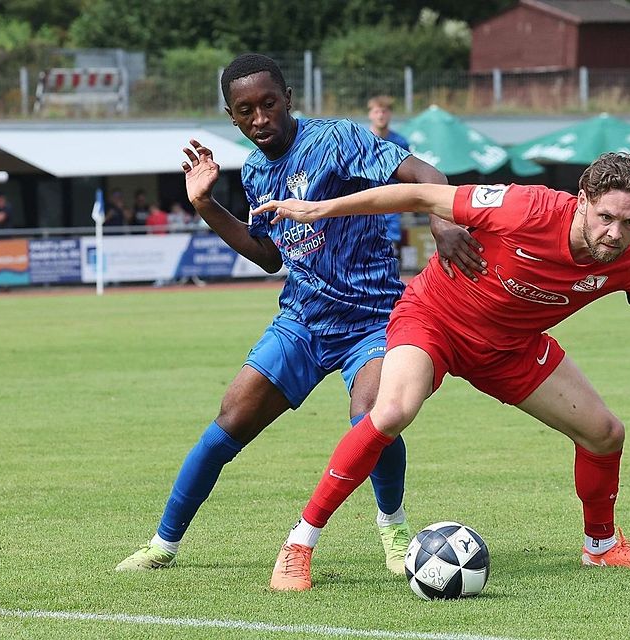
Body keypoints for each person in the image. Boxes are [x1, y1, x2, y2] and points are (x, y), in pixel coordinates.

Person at [252, 151, 630, 591]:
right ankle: (300, 544)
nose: (615, 233)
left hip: (511, 348)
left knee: (605, 433)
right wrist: (320, 208)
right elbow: (416, 195)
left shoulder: (628, 261)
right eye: (606, 217)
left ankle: (601, 547)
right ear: (582, 200)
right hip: (435, 319)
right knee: (393, 409)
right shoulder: (521, 208)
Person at [115, 53, 483, 573]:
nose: (260, 119)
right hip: (303, 321)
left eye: (268, 104)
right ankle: (163, 545)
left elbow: (424, 173)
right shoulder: (257, 172)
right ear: (231, 117)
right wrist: (205, 205)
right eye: (245, 111)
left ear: (288, 98)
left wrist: (444, 224)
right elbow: (269, 255)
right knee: (230, 418)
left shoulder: (335, 139)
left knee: (374, 415)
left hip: (374, 317)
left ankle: (395, 531)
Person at [368, 95, 409, 260]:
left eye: (384, 111)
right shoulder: (361, 139)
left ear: (390, 114)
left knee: (389, 253)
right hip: (365, 203)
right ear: (370, 114)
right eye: (377, 111)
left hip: (392, 204)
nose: (380, 115)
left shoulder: (400, 142)